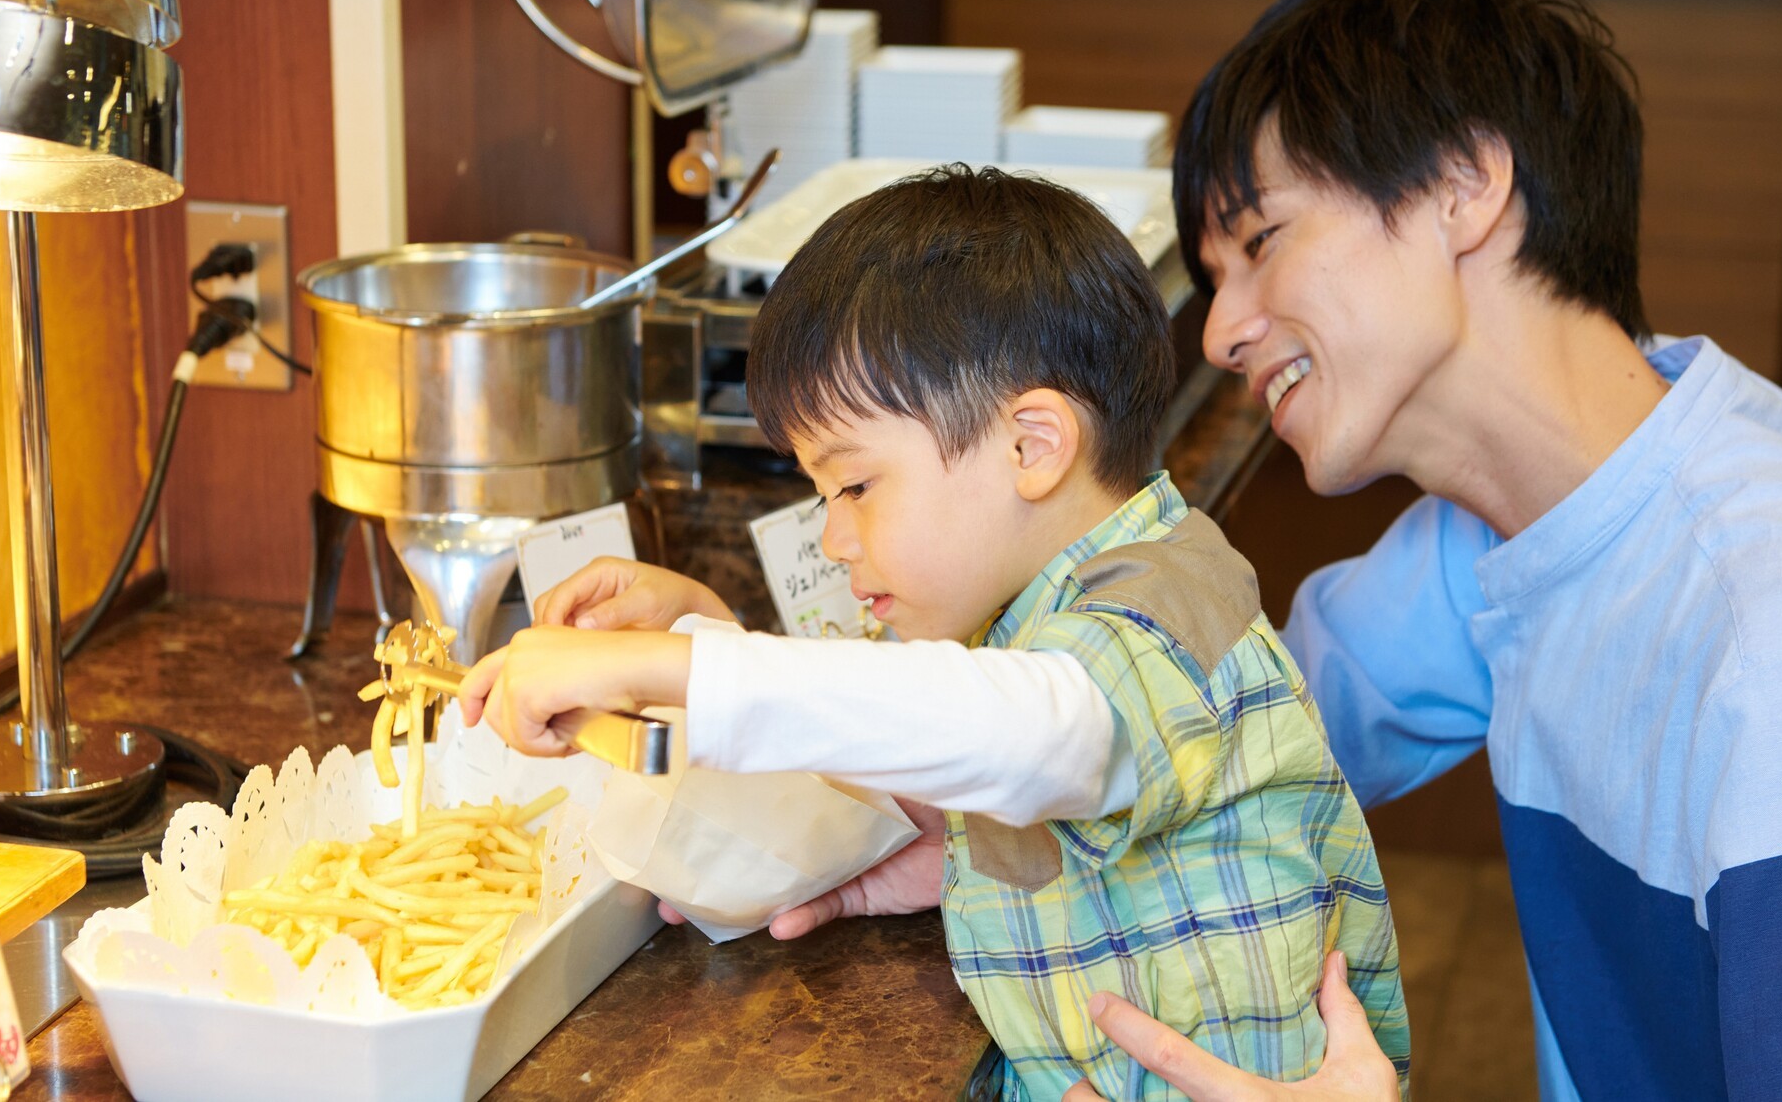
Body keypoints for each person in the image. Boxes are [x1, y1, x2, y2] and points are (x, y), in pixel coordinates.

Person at [1066, 0, 1782, 1098]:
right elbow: (1216, 742)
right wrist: (955, 802)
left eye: (1260, 241)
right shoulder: (1503, 528)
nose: (1218, 332)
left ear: (1463, 184)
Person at [460, 164, 1412, 1098]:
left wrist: (685, 665)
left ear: (1030, 446)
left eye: (858, 485)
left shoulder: (1167, 597)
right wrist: (706, 629)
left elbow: (1034, 733)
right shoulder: (1027, 608)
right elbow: (914, 721)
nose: (834, 537)